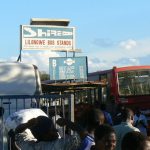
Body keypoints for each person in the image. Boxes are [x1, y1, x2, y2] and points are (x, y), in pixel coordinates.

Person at [9, 115, 81, 150]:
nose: (56, 130)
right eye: (52, 129)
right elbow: (82, 135)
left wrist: (27, 124)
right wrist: (67, 122)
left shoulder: (30, 146)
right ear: (44, 134)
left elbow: (18, 133)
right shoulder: (60, 145)